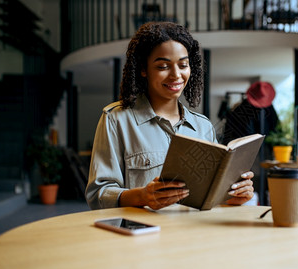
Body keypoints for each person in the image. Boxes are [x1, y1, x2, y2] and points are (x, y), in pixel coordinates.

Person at [85, 22, 254, 210]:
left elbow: (209, 199)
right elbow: (97, 195)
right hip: (142, 236)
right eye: (163, 66)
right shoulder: (116, 120)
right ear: (143, 69)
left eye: (183, 65)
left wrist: (233, 195)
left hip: (194, 235)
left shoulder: (203, 127)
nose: (176, 75)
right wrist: (142, 196)